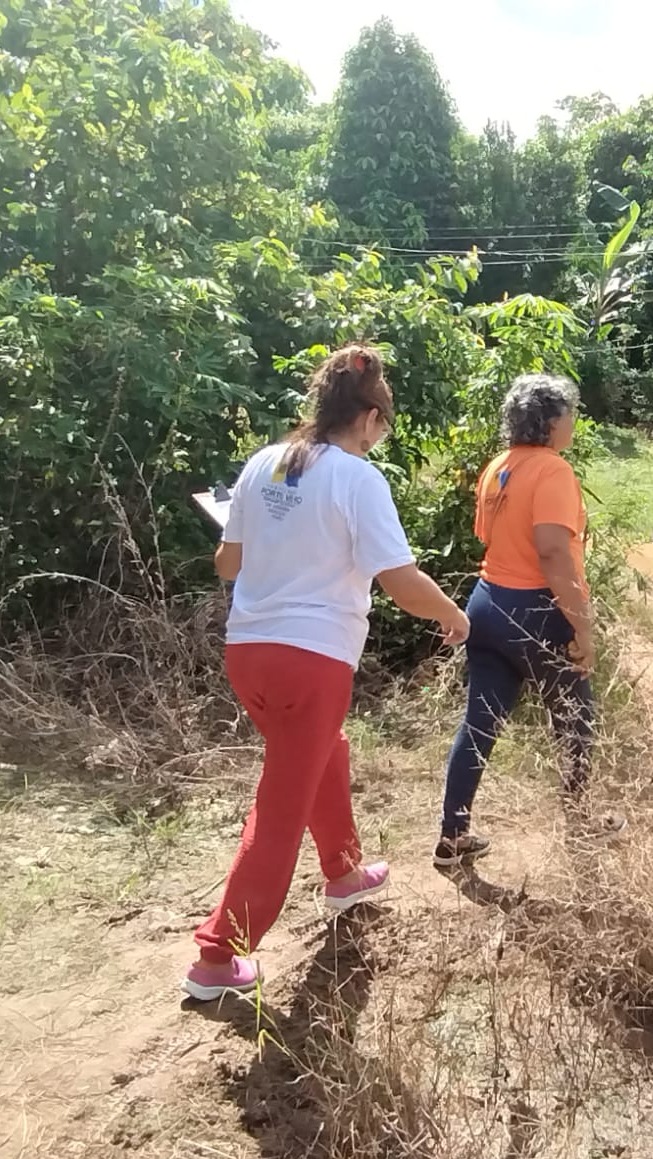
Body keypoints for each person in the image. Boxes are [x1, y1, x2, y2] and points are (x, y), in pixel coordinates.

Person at [184, 345, 470, 1002]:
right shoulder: (357, 478)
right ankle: (217, 958)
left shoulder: (264, 464)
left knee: (319, 755)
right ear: (369, 418)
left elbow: (227, 566)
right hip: (310, 662)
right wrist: (456, 614)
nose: (378, 439)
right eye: (382, 428)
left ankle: (344, 875)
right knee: (282, 803)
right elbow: (399, 581)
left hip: (249, 654)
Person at [437, 375, 616, 867]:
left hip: (487, 603)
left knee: (479, 723)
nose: (573, 424)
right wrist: (582, 628)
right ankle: (580, 824)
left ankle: (452, 835)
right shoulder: (553, 471)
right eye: (571, 415)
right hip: (535, 610)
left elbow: (489, 536)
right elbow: (553, 552)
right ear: (553, 422)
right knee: (575, 718)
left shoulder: (499, 468)